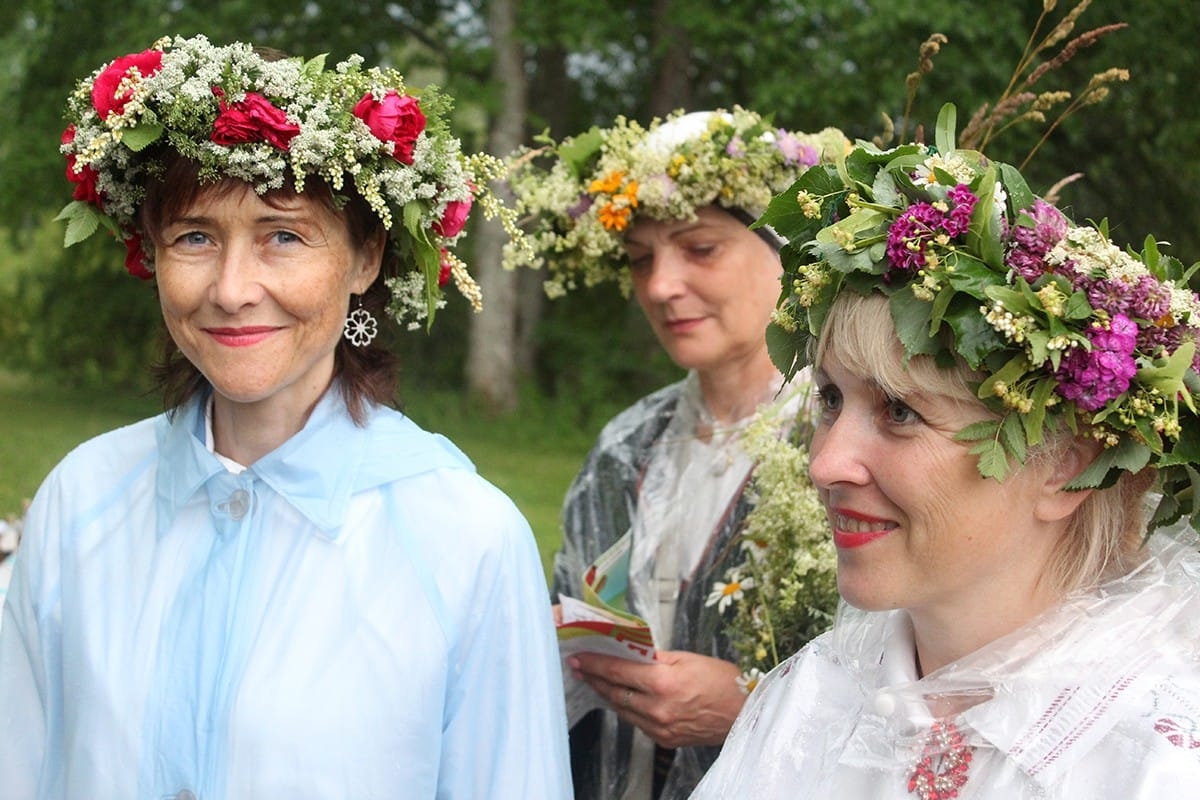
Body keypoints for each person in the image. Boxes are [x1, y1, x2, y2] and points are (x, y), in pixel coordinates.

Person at [0, 34, 571, 799]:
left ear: (366, 258)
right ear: (151, 253)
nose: (233, 289)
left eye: (283, 236)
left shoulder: (468, 541)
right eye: (196, 236)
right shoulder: (79, 502)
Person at [691, 135, 1200, 797]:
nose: (826, 464)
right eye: (831, 398)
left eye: (900, 412)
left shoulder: (1149, 761)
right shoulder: (809, 698)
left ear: (1066, 466)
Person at [506, 108, 847, 799]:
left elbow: (917, 680)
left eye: (700, 249)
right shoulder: (627, 445)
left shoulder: (844, 440)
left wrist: (752, 703)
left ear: (782, 248)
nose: (660, 287)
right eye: (640, 259)